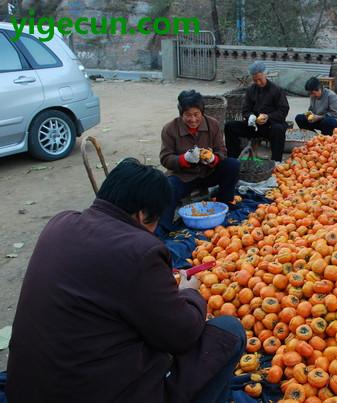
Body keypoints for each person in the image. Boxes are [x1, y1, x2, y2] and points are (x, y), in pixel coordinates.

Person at [6, 158, 245, 403]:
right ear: (142, 215)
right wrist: (189, 293)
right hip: (94, 391)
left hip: (26, 388)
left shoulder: (59, 223)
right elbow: (181, 336)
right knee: (230, 331)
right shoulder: (141, 250)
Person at [159, 89, 240, 233]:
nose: (193, 119)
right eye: (188, 115)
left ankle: (223, 204)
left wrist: (212, 158)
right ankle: (163, 228)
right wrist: (184, 159)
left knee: (232, 165)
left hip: (208, 172)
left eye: (196, 114)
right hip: (183, 177)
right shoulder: (170, 129)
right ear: (181, 114)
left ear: (202, 112)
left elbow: (222, 151)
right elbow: (165, 158)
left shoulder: (212, 125)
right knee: (166, 187)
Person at [224, 61, 290, 162]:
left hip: (270, 126)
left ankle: (276, 162)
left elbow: (283, 110)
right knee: (229, 126)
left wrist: (268, 117)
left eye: (260, 79)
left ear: (265, 74)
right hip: (254, 126)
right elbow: (246, 110)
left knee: (279, 129)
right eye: (255, 80)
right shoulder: (250, 90)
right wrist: (251, 117)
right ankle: (233, 160)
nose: (258, 83)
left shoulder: (276, 90)